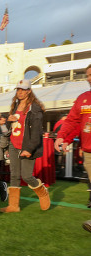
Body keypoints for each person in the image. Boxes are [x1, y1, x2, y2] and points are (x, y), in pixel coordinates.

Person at [0, 79, 51, 213]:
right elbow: (11, 127)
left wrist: (29, 149)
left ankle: (42, 192)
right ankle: (13, 206)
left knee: (27, 176)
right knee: (14, 175)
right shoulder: (15, 105)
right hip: (13, 144)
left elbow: (36, 131)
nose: (20, 92)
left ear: (29, 91)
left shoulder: (34, 108)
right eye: (18, 89)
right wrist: (8, 121)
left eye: (23, 89)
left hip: (27, 146)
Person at [54, 64, 91, 232]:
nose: (89, 78)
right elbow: (73, 122)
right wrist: (63, 137)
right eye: (88, 75)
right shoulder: (83, 98)